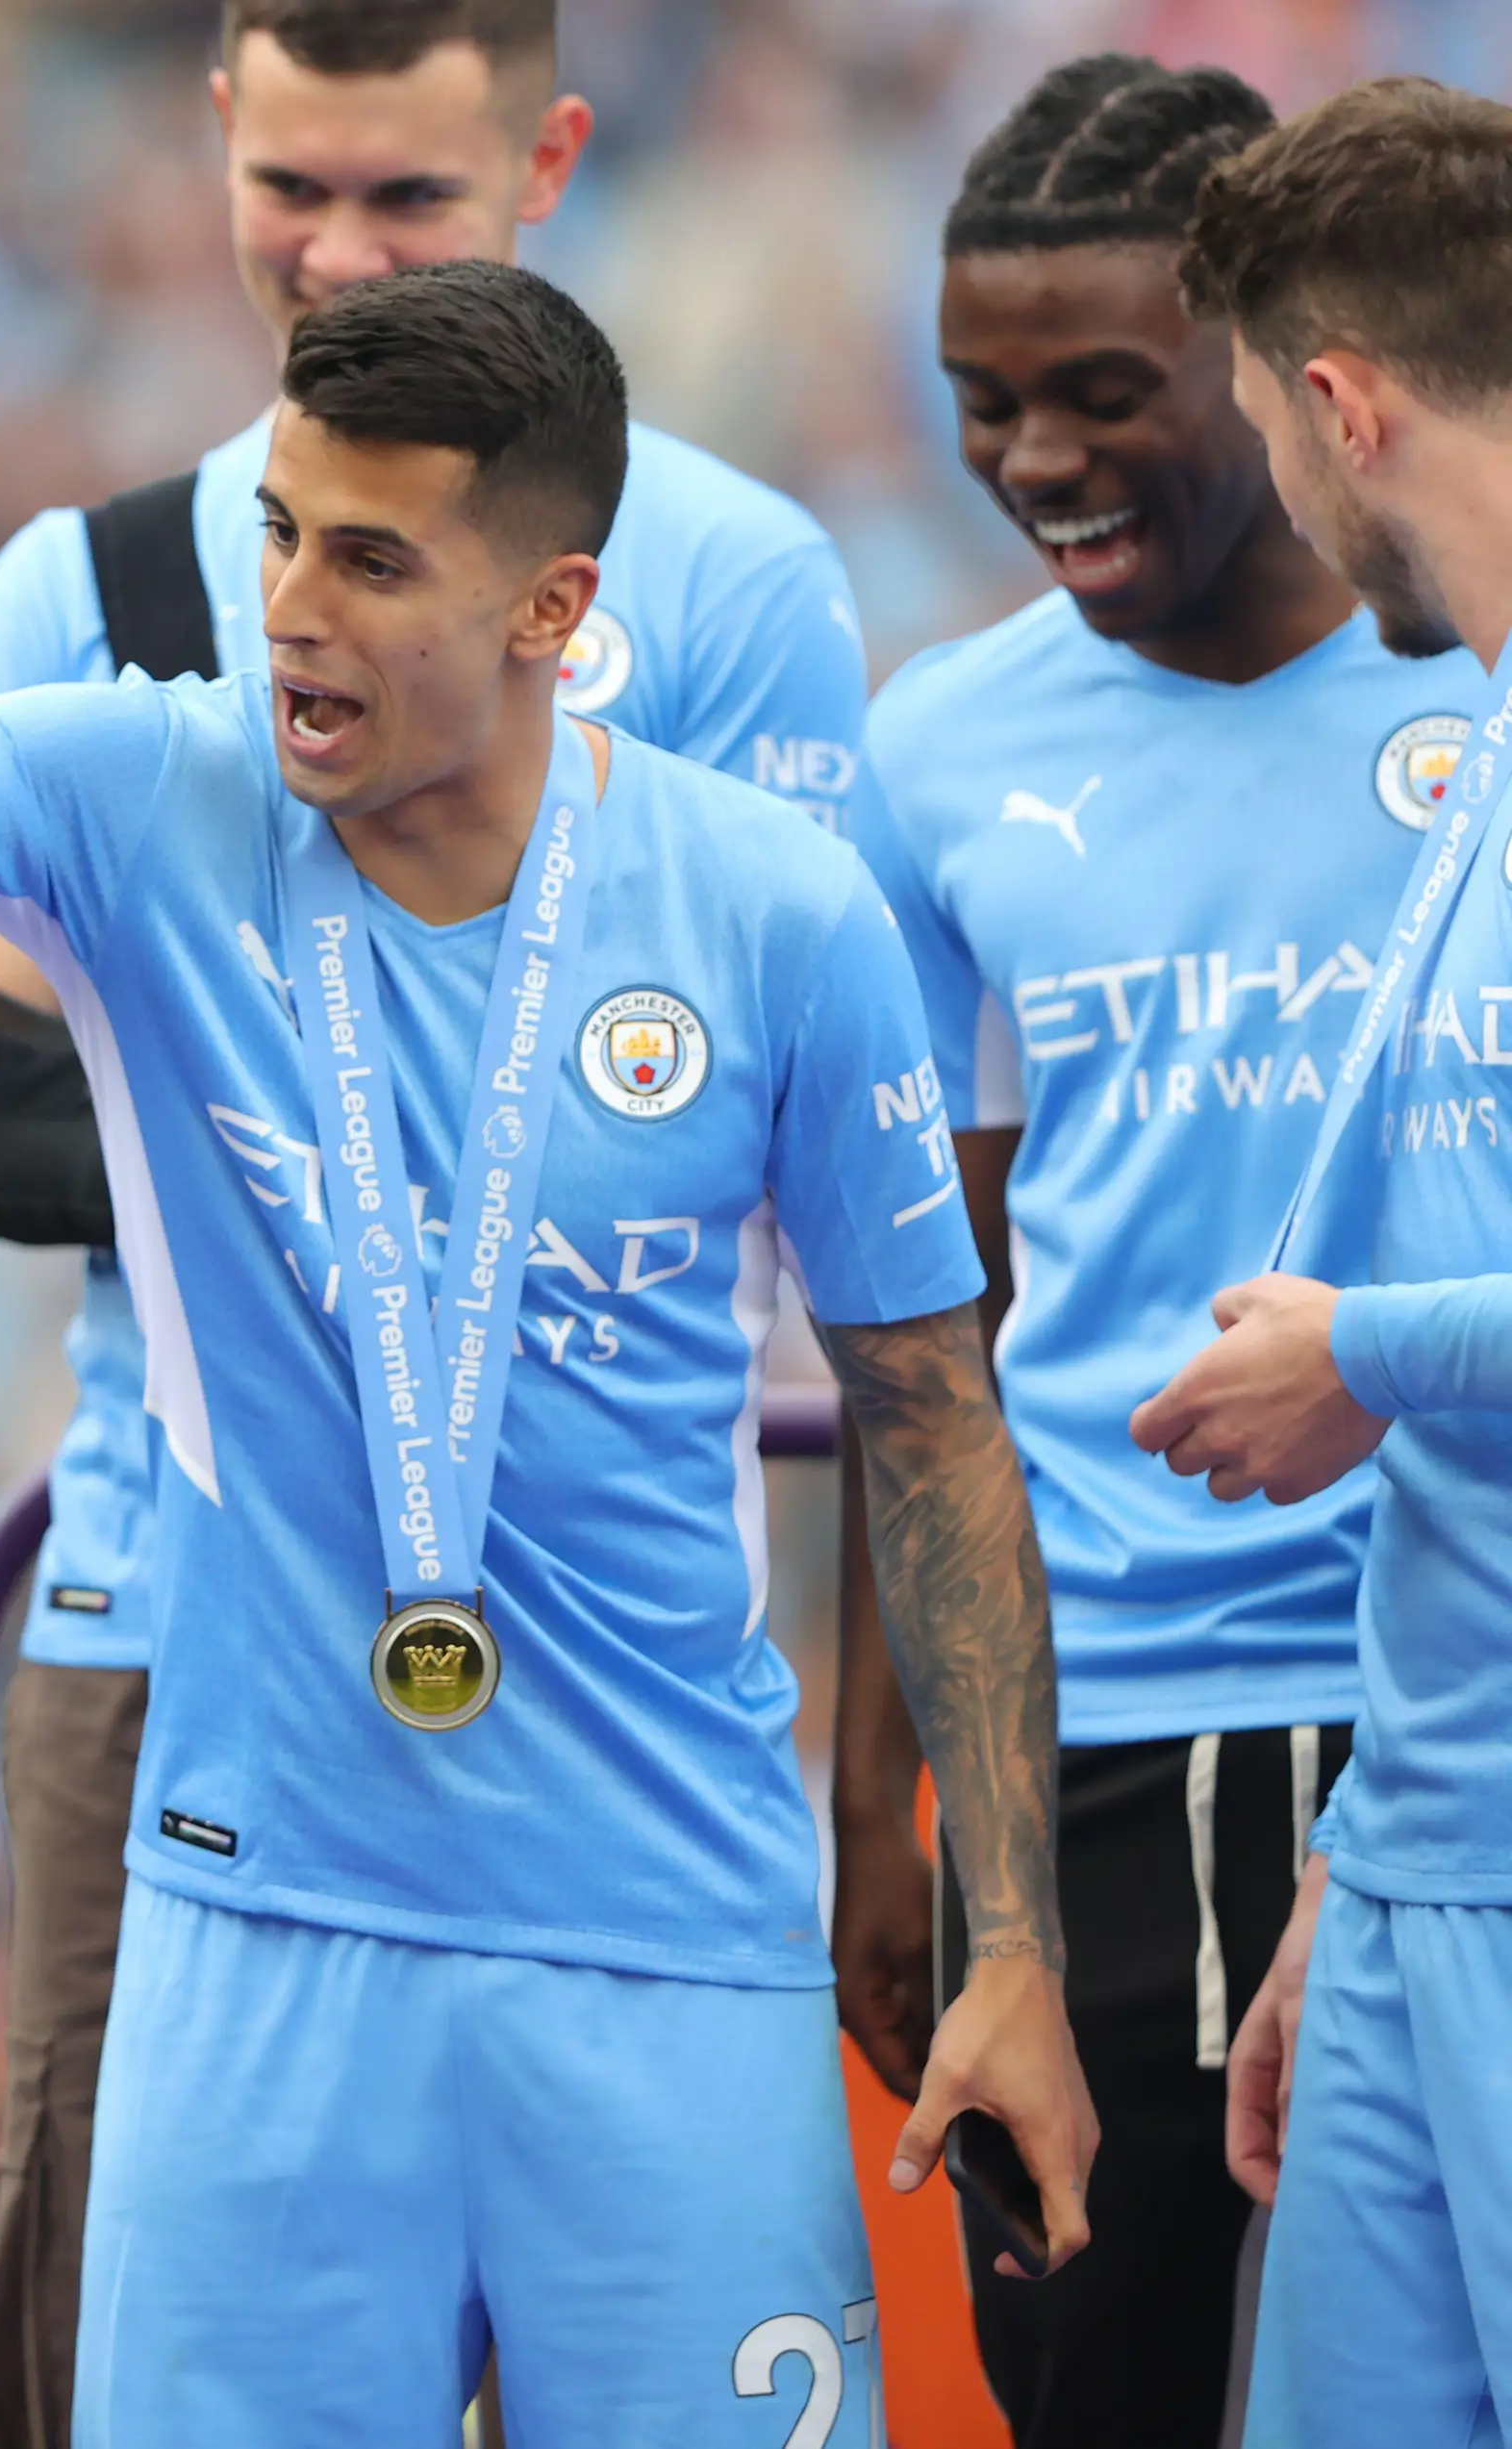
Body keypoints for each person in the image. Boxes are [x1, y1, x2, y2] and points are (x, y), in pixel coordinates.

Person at [0, 259, 1096, 2444]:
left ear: (553, 609)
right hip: (258, 1939)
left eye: (369, 557)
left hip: (666, 1943)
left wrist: (1011, 1939)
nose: (291, 609)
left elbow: (930, 1417)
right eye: (273, 534)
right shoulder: (140, 793)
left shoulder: (772, 913)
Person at [0, 11, 886, 2431]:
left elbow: (778, 1120)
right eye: (291, 184)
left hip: (616, 1675)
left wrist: (201, 1047)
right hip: (165, 1617)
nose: (330, 255)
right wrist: (305, 1098)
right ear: (217, 129)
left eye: (404, 203)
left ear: (545, 158)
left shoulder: (737, 581)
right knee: (88, 2357)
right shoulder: (100, 577)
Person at [825, 59, 1486, 2447]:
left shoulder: (1477, 682)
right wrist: (886, 1801)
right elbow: (929, 1327)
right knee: (1099, 2385)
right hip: (1100, 1740)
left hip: (1444, 1713)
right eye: (984, 404)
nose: (1035, 461)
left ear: (1283, 363)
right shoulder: (942, 752)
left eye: (1102, 392)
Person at [1130, 76, 1512, 2447]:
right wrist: (1359, 1869)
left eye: (1273, 429)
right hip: (1418, 1882)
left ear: (1341, 405)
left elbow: (1409, 1340)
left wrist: (1357, 1349)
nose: (1279, 488)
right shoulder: (1480, 743)